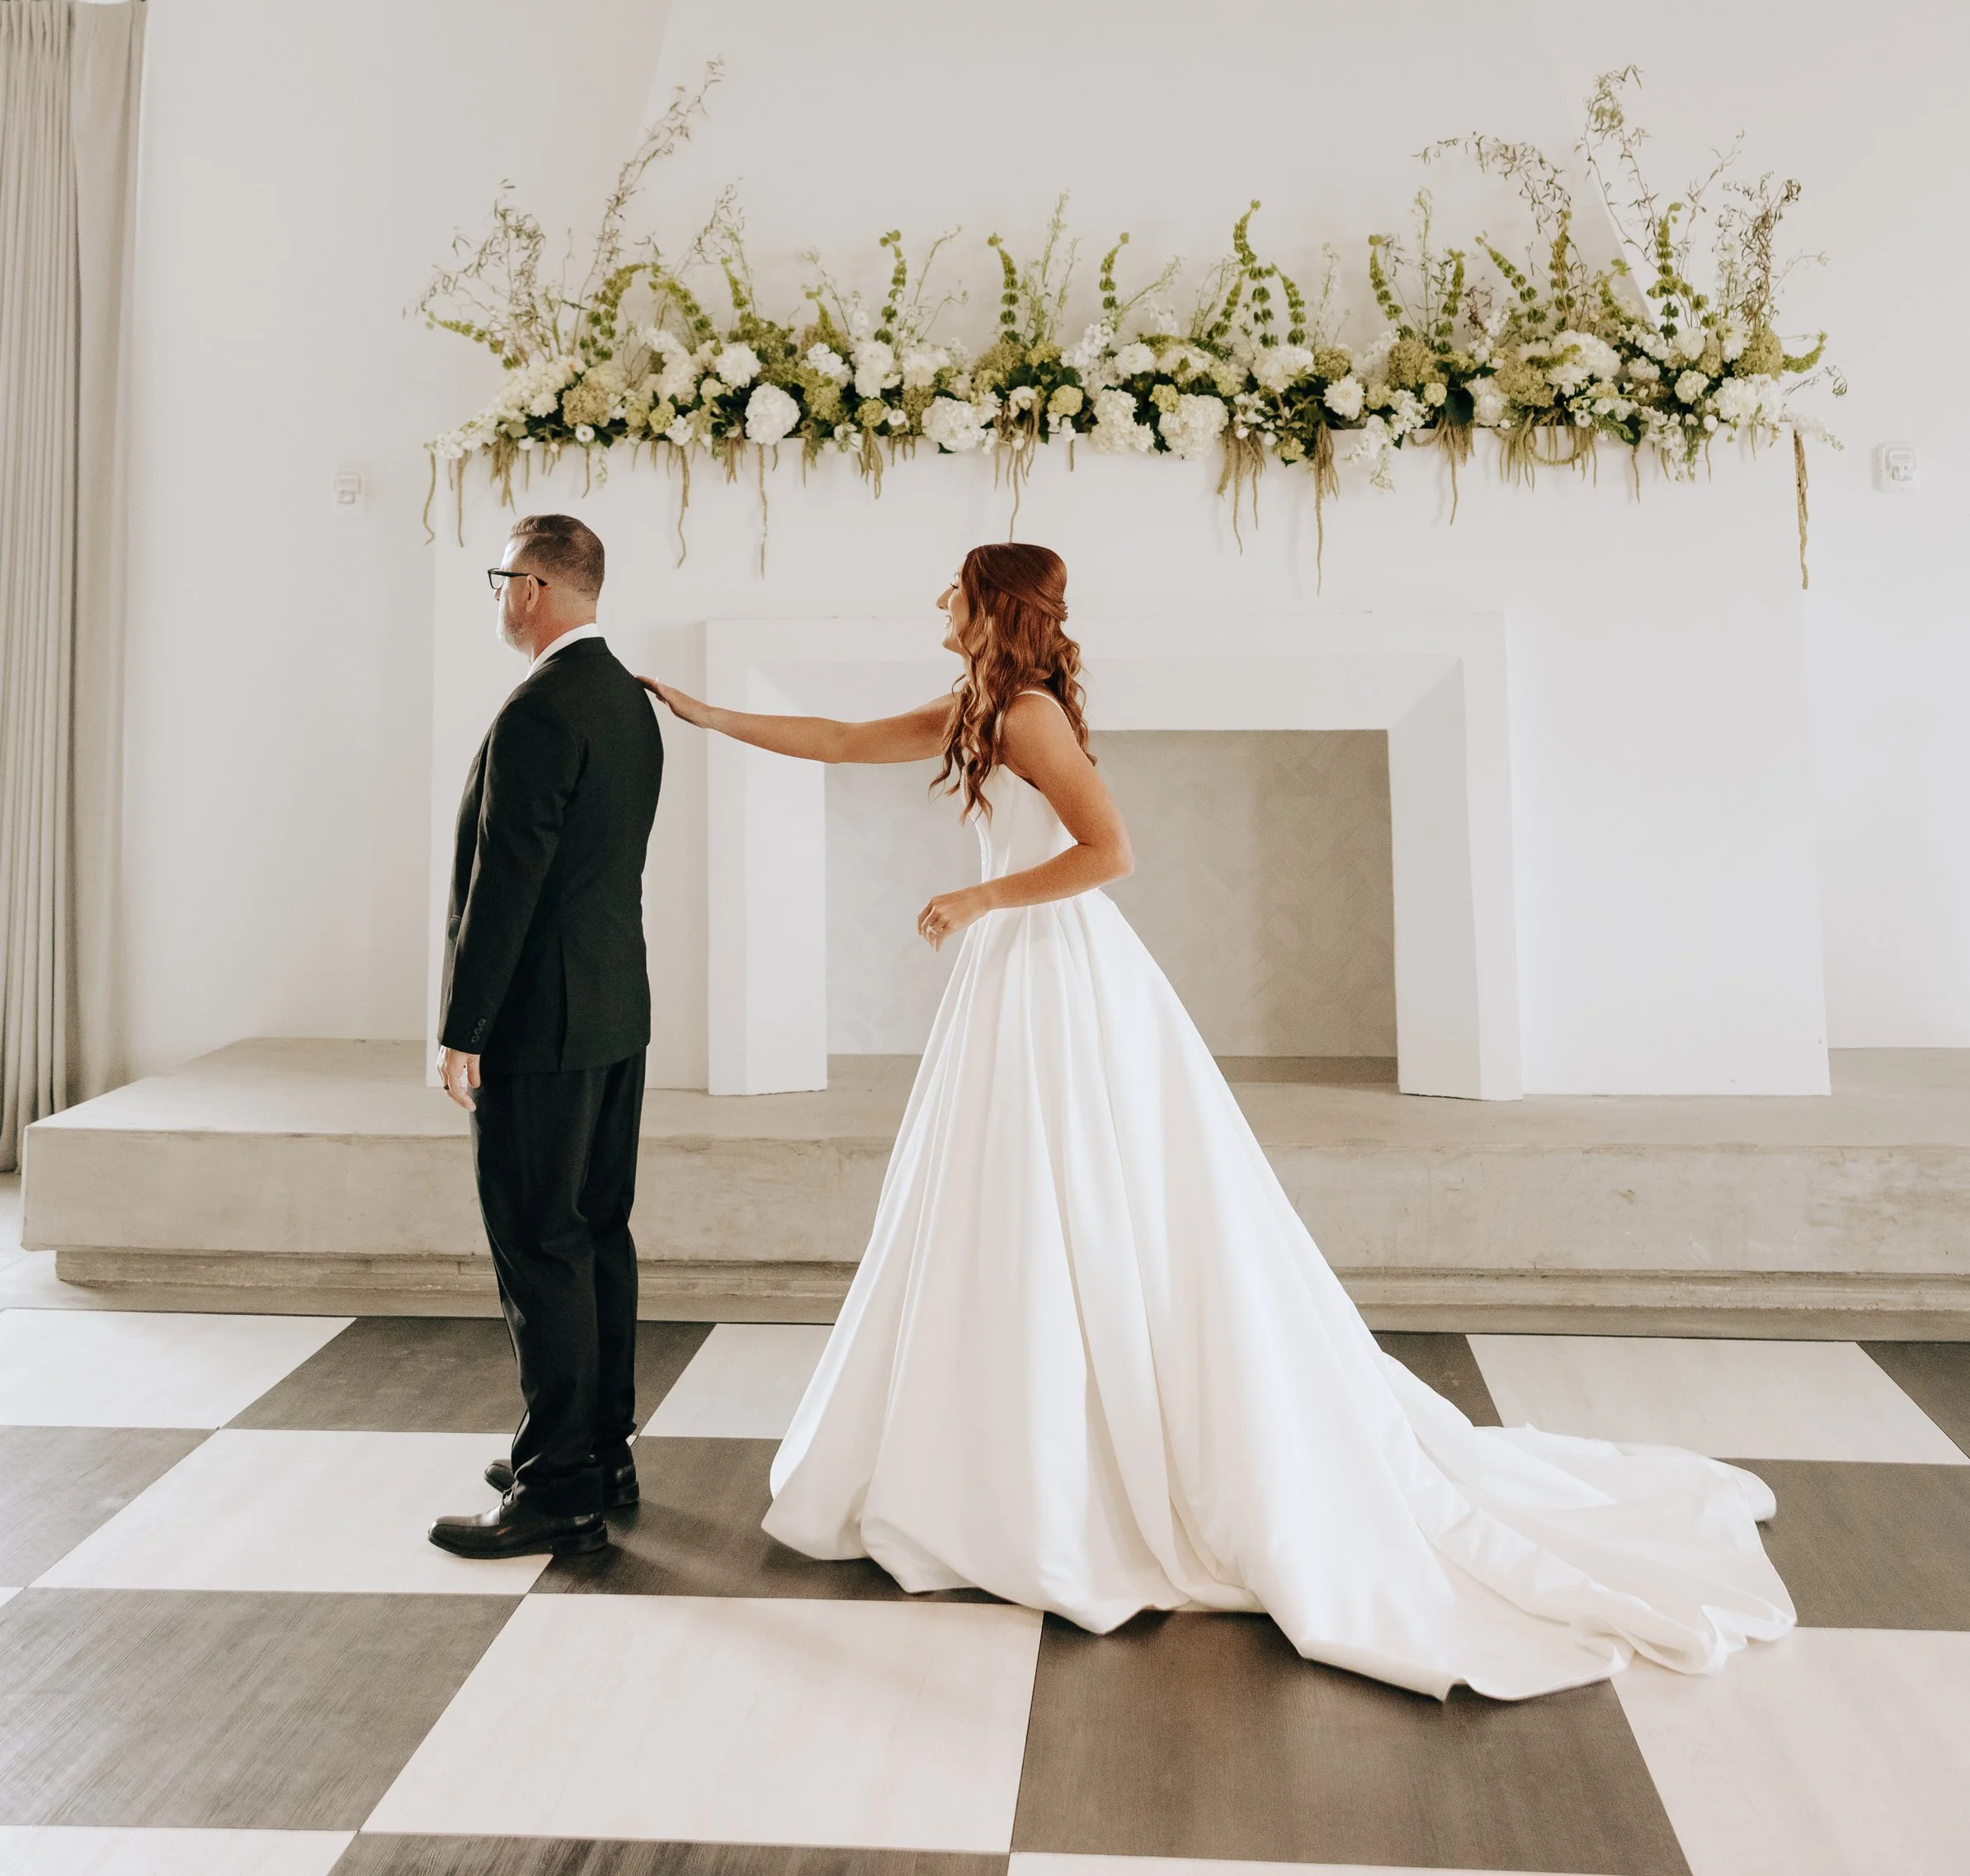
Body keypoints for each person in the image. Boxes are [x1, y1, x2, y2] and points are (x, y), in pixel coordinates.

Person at [639, 540, 1796, 1701]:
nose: (935, 599)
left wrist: (981, 894)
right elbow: (839, 741)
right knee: (1010, 1202)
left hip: (1056, 971)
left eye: (952, 587)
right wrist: (703, 712)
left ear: (991, 605)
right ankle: (1007, 1461)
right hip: (1013, 977)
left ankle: (1067, 1481)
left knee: (1078, 1197)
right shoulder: (978, 704)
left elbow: (1111, 850)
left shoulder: (1029, 714)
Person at [429, 511, 663, 1562]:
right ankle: (597, 1447)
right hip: (615, 1008)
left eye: (498, 581)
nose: (497, 599)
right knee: (595, 1231)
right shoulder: (624, 699)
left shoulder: (539, 711)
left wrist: (463, 1028)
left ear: (530, 588)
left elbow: (504, 886)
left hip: (541, 1021)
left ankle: (557, 1484)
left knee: (538, 1243)